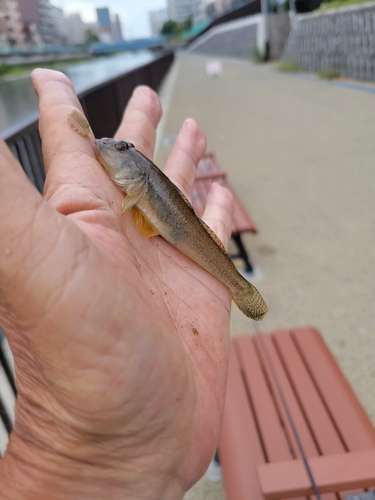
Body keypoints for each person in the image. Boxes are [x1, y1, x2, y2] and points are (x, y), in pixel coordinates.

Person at [0, 69, 234, 499]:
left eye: (121, 146)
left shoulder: (138, 180)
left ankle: (240, 285)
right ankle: (240, 284)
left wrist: (88, 463)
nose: (111, 146)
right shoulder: (129, 177)